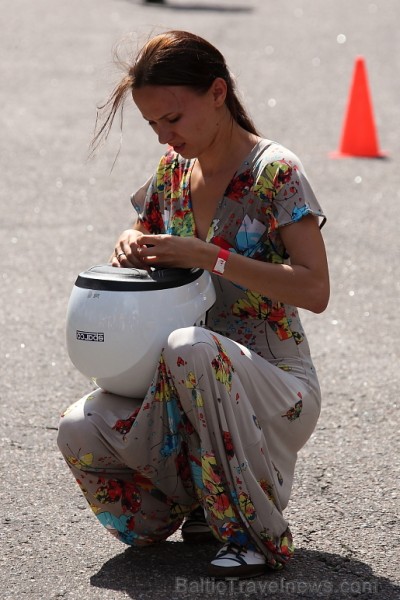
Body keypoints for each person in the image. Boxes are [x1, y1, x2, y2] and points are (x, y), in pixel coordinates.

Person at [57, 30, 329, 579]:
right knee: (79, 426)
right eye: (153, 124)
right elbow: (147, 242)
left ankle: (252, 532)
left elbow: (315, 289)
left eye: (172, 119)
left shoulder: (276, 172)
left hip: (276, 387)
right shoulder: (172, 174)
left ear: (217, 93)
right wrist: (128, 244)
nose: (164, 135)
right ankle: (195, 511)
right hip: (184, 388)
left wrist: (213, 256)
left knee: (190, 347)